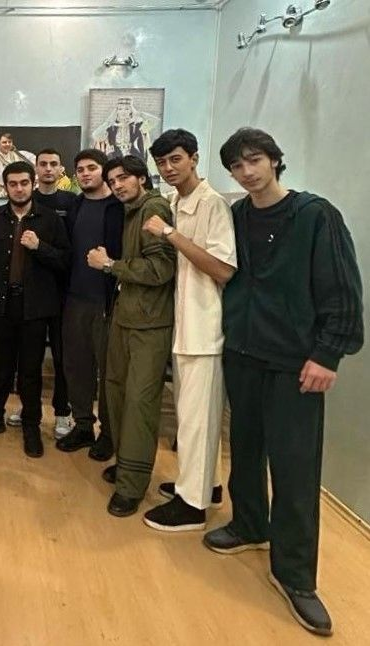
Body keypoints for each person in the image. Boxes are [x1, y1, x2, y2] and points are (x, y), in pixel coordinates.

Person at [203, 128, 363, 636]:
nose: (246, 172)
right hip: (243, 354)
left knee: (295, 467)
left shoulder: (315, 215)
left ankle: (295, 576)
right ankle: (250, 524)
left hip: (296, 362)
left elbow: (342, 289)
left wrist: (327, 353)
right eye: (236, 166)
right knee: (245, 447)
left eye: (254, 160)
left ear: (274, 160)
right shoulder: (236, 217)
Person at [140, 129, 236, 532]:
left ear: (194, 158)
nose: (168, 168)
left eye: (175, 159)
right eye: (161, 162)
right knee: (191, 417)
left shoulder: (213, 204)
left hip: (205, 328)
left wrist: (169, 233)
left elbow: (223, 269)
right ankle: (206, 486)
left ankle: (192, 506)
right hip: (184, 327)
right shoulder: (177, 202)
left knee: (198, 421)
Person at [86, 155, 175, 518]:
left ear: (141, 178)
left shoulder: (154, 209)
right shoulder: (131, 212)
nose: (117, 185)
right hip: (126, 316)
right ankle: (127, 467)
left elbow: (161, 269)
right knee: (116, 392)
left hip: (149, 324)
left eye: (123, 178)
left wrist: (110, 265)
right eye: (113, 180)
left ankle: (132, 486)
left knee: (139, 403)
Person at [0, 161, 70, 458]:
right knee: (0, 367)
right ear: (5, 187)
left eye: (24, 183)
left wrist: (40, 247)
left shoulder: (50, 219)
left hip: (35, 308)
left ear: (33, 183)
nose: (19, 188)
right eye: (12, 184)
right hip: (0, 306)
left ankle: (31, 424)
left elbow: (65, 261)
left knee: (30, 371)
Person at [55, 149, 123, 462]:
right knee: (77, 367)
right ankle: (83, 425)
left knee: (109, 373)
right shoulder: (75, 206)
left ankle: (109, 434)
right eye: (80, 169)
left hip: (108, 303)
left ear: (103, 171)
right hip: (75, 299)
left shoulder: (119, 207)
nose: (85, 174)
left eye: (91, 168)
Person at [11, 148, 75, 439]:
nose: (48, 168)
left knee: (62, 357)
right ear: (35, 169)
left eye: (54, 164)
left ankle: (63, 411)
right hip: (31, 296)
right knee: (28, 359)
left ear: (61, 169)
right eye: (43, 164)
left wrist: (41, 248)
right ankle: (28, 408)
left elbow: (67, 253)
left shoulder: (72, 202)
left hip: (64, 293)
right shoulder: (24, 200)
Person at [0, 132, 35, 199]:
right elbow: (4, 179)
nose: (7, 144)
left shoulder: (18, 154)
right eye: (4, 142)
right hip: (1, 195)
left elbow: (35, 160)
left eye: (10, 142)